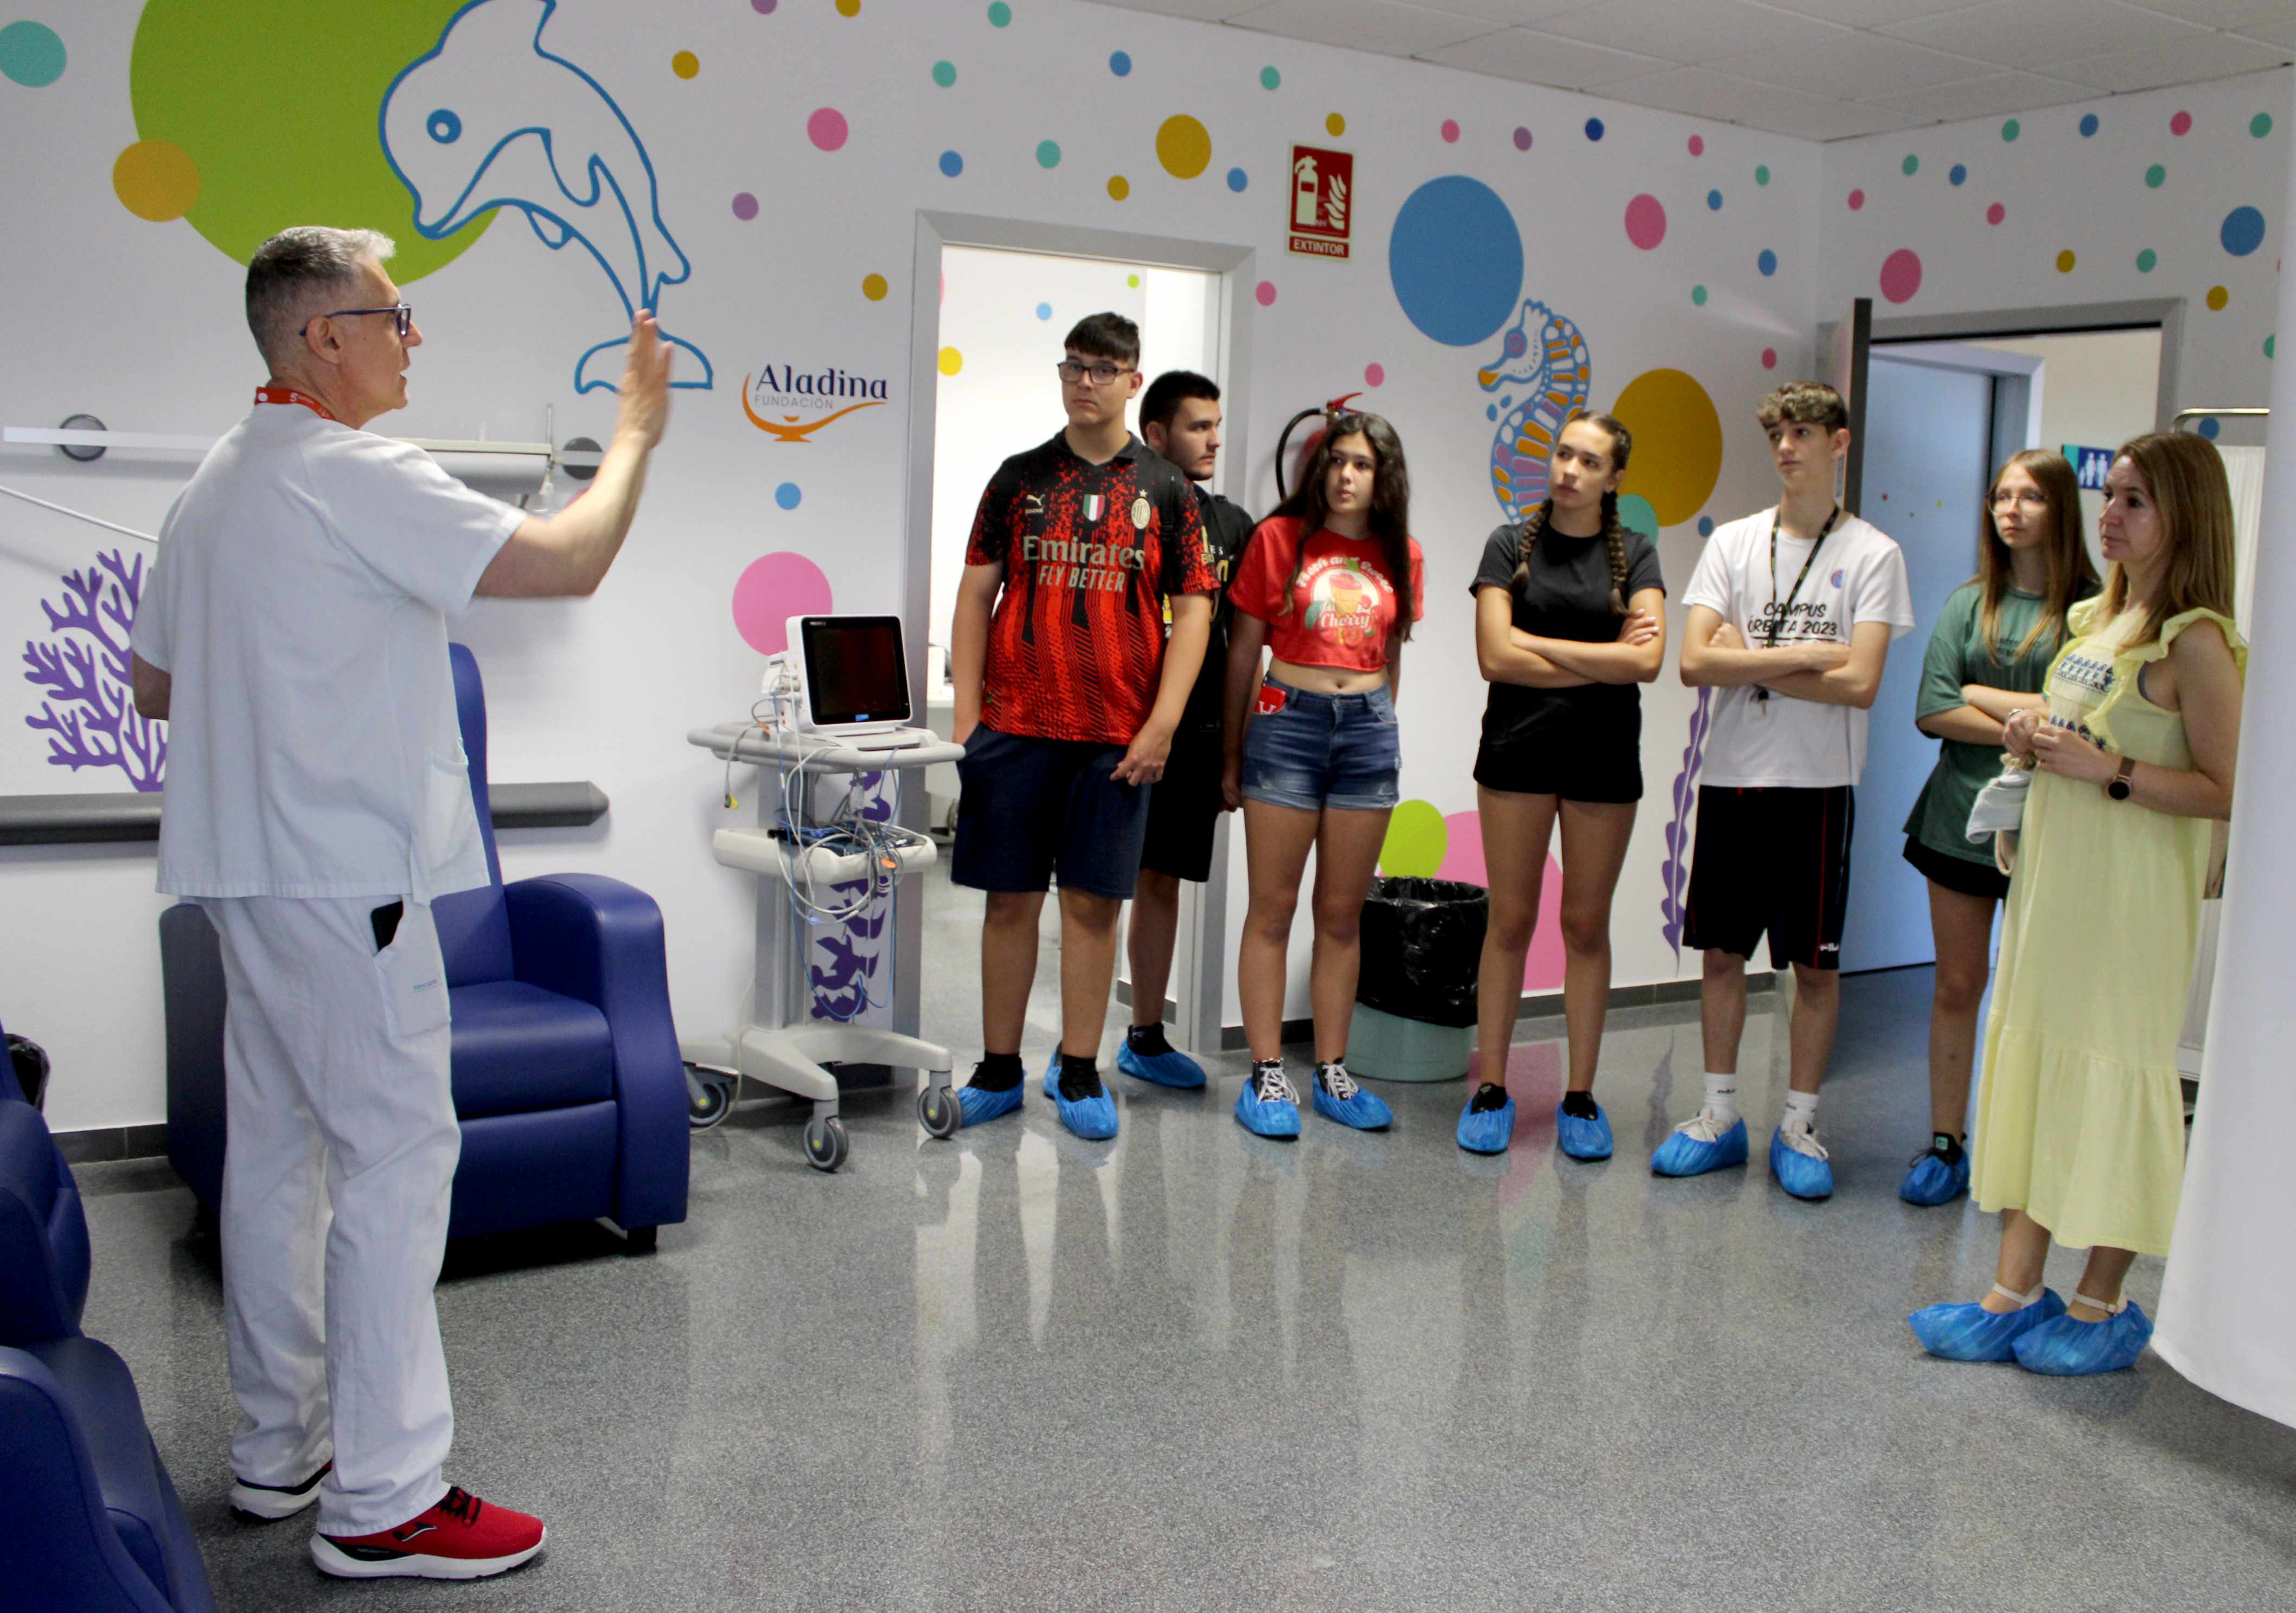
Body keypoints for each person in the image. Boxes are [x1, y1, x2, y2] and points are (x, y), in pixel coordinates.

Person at [127, 226, 672, 1580]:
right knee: (393, 1156)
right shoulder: (347, 466)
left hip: (243, 876)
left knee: (282, 1157)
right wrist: (636, 434)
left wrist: (286, 675)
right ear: (322, 336)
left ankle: (280, 1448)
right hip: (338, 876)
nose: (409, 336)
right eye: (395, 315)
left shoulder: (215, 482)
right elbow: (568, 558)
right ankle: (385, 1496)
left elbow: (151, 686)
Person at [1910, 432, 2244, 1375]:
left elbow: (2227, 784)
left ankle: (2103, 1300)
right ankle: (2013, 1290)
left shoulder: (2198, 639)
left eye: (2134, 500)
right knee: (2044, 1064)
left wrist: (2111, 769)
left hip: (2130, 900)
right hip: (2055, 883)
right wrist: (2031, 736)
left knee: (2109, 1075)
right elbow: (2075, 729)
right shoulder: (2096, 616)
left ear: (2184, 514)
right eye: (2111, 495)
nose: (2110, 514)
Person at [947, 313, 1216, 1141]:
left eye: (1103, 369)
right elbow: (973, 596)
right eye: (1074, 366)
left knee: (1096, 908)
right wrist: (966, 724)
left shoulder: (1166, 491)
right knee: (1008, 904)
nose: (1085, 380)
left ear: (1134, 381)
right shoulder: (1018, 480)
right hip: (1016, 728)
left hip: (1116, 738)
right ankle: (997, 1068)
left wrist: (1163, 725)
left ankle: (1077, 1069)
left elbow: (1194, 610)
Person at [1660, 381, 1913, 1198]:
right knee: (1722, 953)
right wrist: (1808, 659)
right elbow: (1695, 663)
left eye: (1803, 432)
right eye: (1777, 433)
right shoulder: (1733, 543)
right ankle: (1717, 1113)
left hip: (1819, 785)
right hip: (1733, 778)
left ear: (1839, 443)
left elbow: (1863, 682)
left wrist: (1751, 658)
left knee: (1813, 964)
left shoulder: (1872, 554)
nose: (1786, 447)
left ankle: (1799, 1120)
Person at [1458, 411, 1666, 1157]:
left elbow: (1645, 664)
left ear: (1613, 477)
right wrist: (1596, 654)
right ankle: (1491, 1086)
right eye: (1562, 454)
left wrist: (1535, 642)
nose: (1568, 470)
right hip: (1516, 751)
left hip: (1603, 757)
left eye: (1588, 461)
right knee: (1509, 922)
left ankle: (1580, 1095)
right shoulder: (1508, 544)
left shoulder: (1635, 556)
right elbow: (1492, 657)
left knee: (1584, 925)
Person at [1897, 450, 2099, 1206]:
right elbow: (1931, 709)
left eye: (2029, 497)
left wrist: (1983, 695)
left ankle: (2035, 1153)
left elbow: (2082, 719)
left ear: (2060, 509)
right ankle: (1946, 1143)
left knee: (2041, 992)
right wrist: (2026, 718)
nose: (2009, 509)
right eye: (1999, 496)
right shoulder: (1965, 603)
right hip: (1959, 820)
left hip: (2056, 821)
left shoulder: (2092, 611)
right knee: (1958, 983)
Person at [1223, 414, 1425, 1138]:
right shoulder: (1278, 540)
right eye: (1336, 461)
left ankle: (1334, 1072)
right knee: (1271, 910)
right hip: (1285, 725)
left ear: (1383, 477)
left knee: (1341, 915)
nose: (1346, 475)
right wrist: (1232, 753)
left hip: (1366, 732)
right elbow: (1243, 652)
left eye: (1362, 465)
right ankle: (1267, 1072)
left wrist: (1375, 724)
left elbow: (1391, 653)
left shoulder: (1402, 553)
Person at [1119, 370, 1256, 1091]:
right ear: (1157, 434)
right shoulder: (1119, 515)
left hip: (1195, 737)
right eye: (1198, 425)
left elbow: (1244, 645)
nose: (1213, 438)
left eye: (1215, 423)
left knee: (1160, 881)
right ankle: (1071, 1048)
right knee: (1094, 885)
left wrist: (1231, 750)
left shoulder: (1231, 524)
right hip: (1113, 727)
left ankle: (1144, 1033)